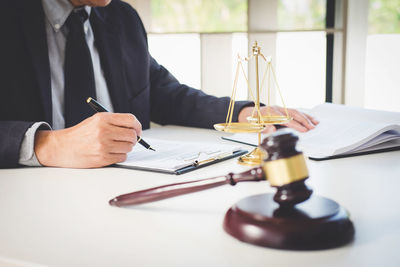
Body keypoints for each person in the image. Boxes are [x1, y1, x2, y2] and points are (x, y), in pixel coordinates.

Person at [0, 0, 318, 169]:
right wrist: (46, 144)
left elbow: (163, 93)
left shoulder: (121, 18)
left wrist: (243, 112)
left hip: (123, 193)